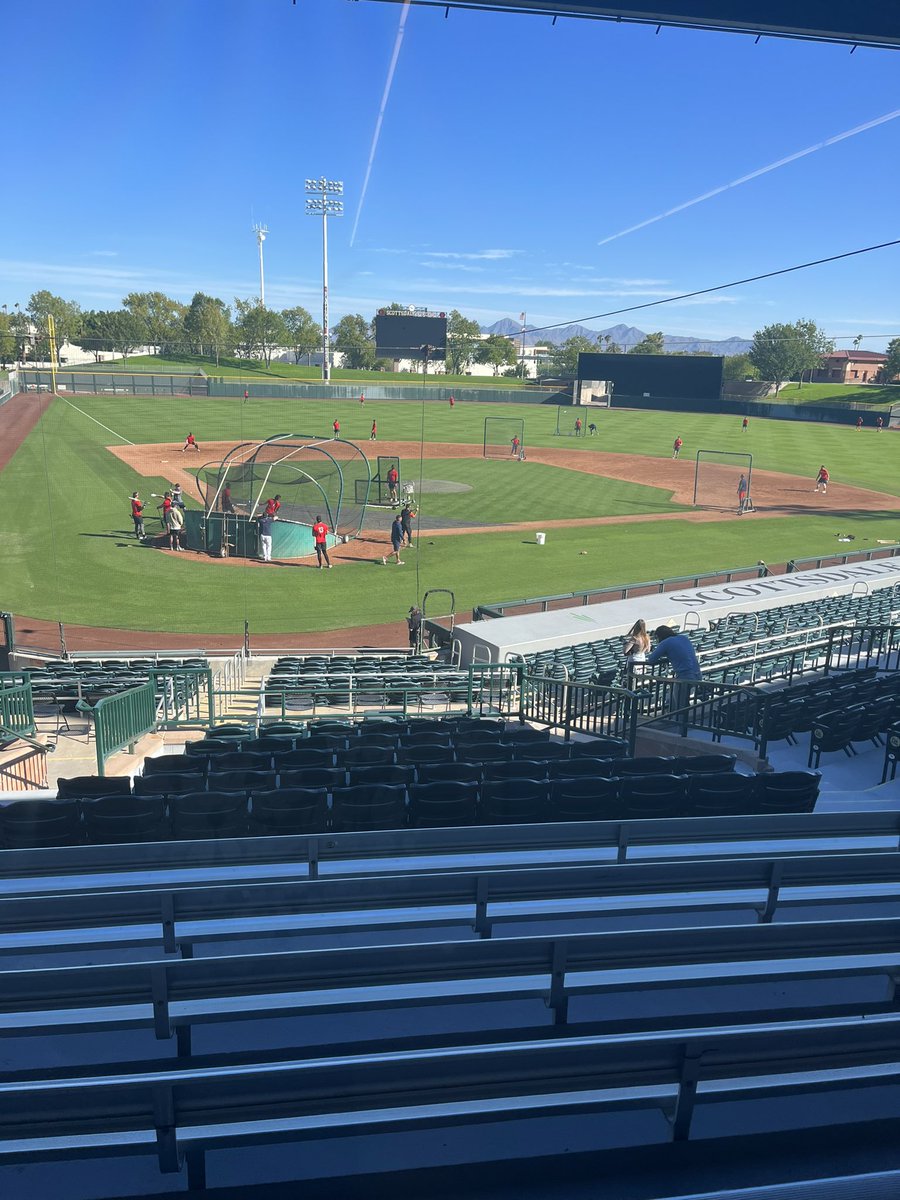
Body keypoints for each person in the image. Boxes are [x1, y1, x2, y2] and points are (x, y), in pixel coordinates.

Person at [647, 625, 702, 727]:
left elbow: (651, 659)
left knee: (681, 705)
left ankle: (681, 728)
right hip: (697, 673)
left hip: (685, 676)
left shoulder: (665, 643)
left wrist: (665, 653)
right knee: (673, 697)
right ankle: (672, 720)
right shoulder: (683, 638)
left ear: (660, 636)